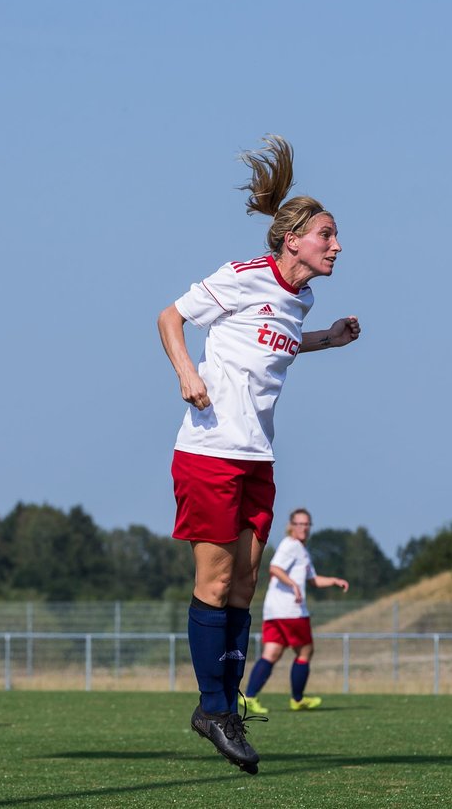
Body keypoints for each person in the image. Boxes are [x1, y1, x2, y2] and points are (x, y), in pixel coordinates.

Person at [157, 135, 360, 775]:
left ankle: (224, 706)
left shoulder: (302, 300)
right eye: (326, 235)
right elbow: (170, 316)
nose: (336, 245)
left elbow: (277, 345)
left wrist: (324, 338)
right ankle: (213, 708)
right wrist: (187, 373)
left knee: (243, 584)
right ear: (291, 238)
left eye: (336, 236)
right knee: (214, 583)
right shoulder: (243, 276)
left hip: (257, 459)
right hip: (210, 452)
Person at [240, 508, 348, 714]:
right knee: (306, 651)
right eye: (299, 524)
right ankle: (297, 699)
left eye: (307, 524)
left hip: (274, 610)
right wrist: (294, 586)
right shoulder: (291, 545)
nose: (304, 528)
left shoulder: (300, 549)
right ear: (291, 526)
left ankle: (249, 697)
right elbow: (275, 568)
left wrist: (334, 580)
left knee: (271, 653)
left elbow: (312, 579)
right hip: (291, 610)